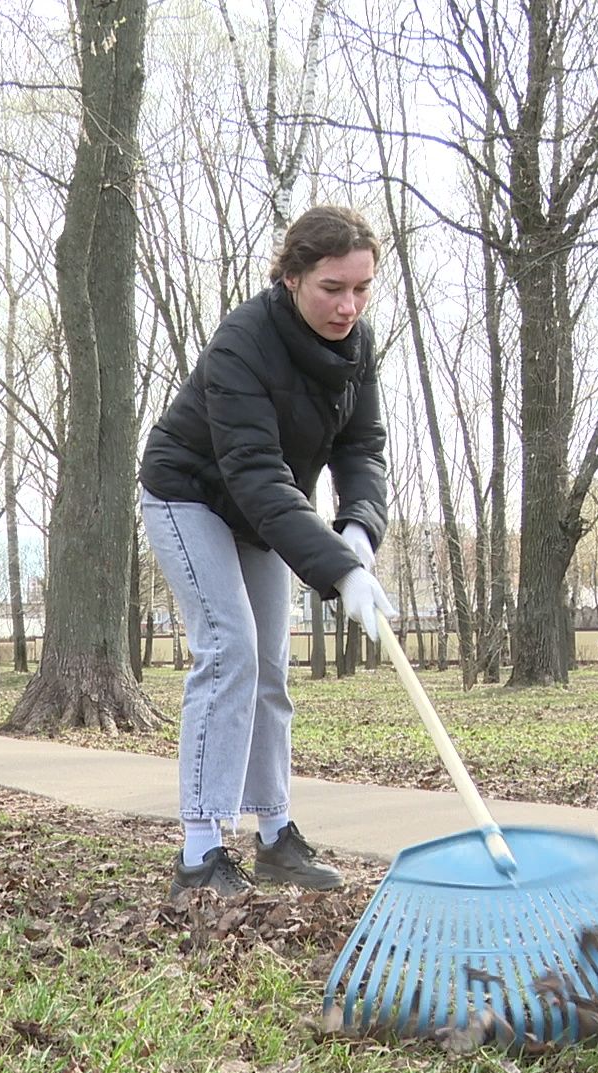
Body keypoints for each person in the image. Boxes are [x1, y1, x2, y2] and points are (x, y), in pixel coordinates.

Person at [137, 206, 396, 900]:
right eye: (332, 288)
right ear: (291, 278)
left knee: (272, 669)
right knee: (231, 651)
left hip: (262, 516)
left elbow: (362, 447)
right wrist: (336, 567)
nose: (348, 306)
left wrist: (359, 529)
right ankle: (199, 854)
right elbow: (253, 471)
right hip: (189, 495)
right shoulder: (242, 342)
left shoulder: (358, 345)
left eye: (361, 288)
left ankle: (276, 837)